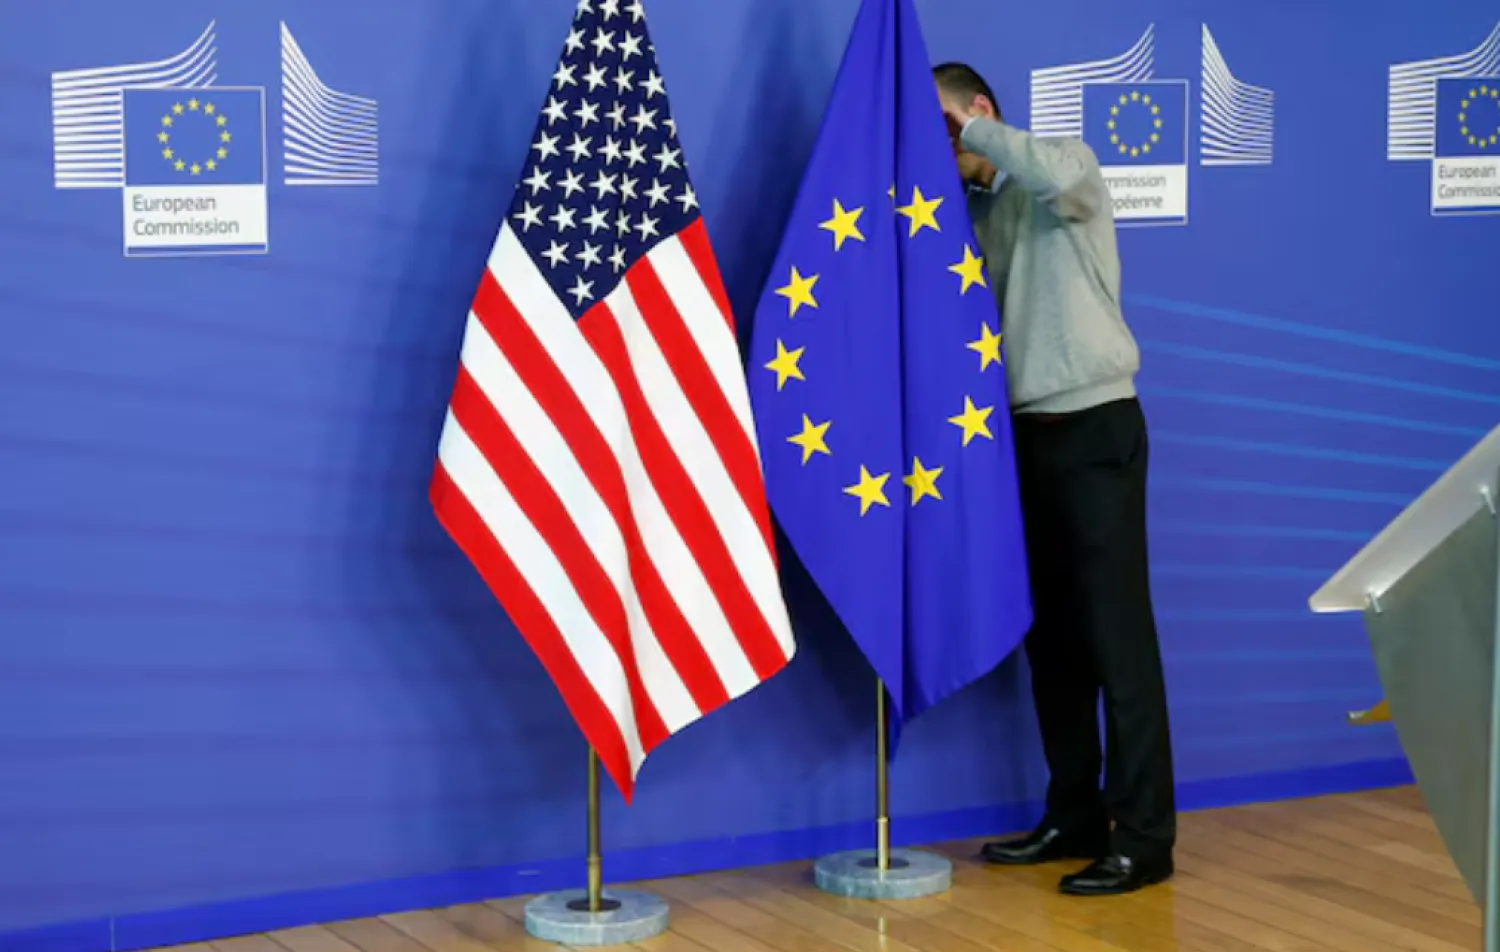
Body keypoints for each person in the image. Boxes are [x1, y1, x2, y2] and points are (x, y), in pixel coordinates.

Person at [932, 61, 1177, 896]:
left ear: (982, 113)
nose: (946, 147)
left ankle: (1144, 838)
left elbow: (1053, 171)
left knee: (1118, 643)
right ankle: (1075, 814)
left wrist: (969, 131)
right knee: (1056, 648)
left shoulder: (1064, 170)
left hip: (1097, 424)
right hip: (1022, 439)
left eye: (948, 127)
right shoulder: (971, 213)